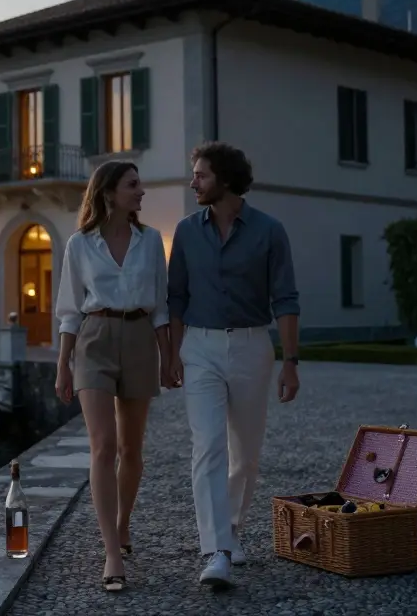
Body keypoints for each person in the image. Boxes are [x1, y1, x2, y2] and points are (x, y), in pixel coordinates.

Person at [166, 142, 301, 590]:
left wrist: (290, 363)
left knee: (244, 453)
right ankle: (216, 550)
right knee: (207, 447)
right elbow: (176, 298)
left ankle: (234, 529)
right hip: (199, 348)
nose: (193, 183)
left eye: (201, 175)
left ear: (224, 179)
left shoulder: (269, 231)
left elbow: (285, 299)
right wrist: (174, 353)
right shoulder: (186, 232)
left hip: (250, 346)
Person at [54, 159, 173, 593]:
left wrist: (169, 357)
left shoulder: (151, 241)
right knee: (103, 445)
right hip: (94, 340)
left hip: (140, 338)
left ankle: (123, 523)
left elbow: (161, 306)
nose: (141, 192)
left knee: (130, 447)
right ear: (108, 193)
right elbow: (69, 310)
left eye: (139, 184)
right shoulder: (79, 245)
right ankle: (110, 551)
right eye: (133, 185)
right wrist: (62, 364)